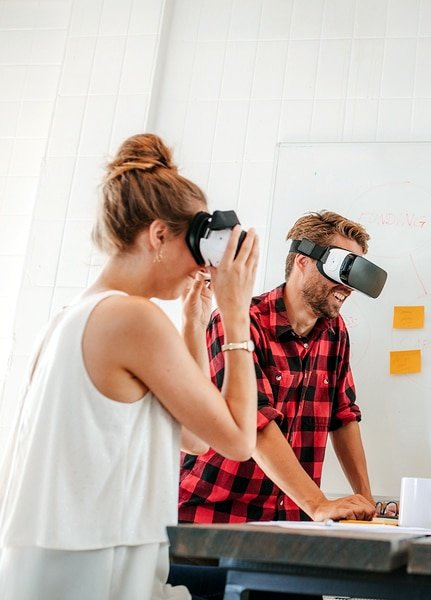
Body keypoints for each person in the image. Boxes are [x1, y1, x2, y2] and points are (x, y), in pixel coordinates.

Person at [0, 133, 260, 599]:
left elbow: (196, 437)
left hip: (53, 575)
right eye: (194, 248)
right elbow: (239, 440)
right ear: (159, 235)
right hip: (94, 580)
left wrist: (195, 323)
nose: (201, 268)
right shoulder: (131, 318)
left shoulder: (76, 315)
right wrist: (237, 314)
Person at [179, 211, 377, 523]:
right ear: (303, 261)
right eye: (342, 270)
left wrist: (367, 502)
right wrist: (317, 504)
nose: (348, 287)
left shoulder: (335, 332)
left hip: (289, 520)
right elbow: (254, 421)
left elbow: (344, 416)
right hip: (216, 514)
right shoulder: (238, 322)